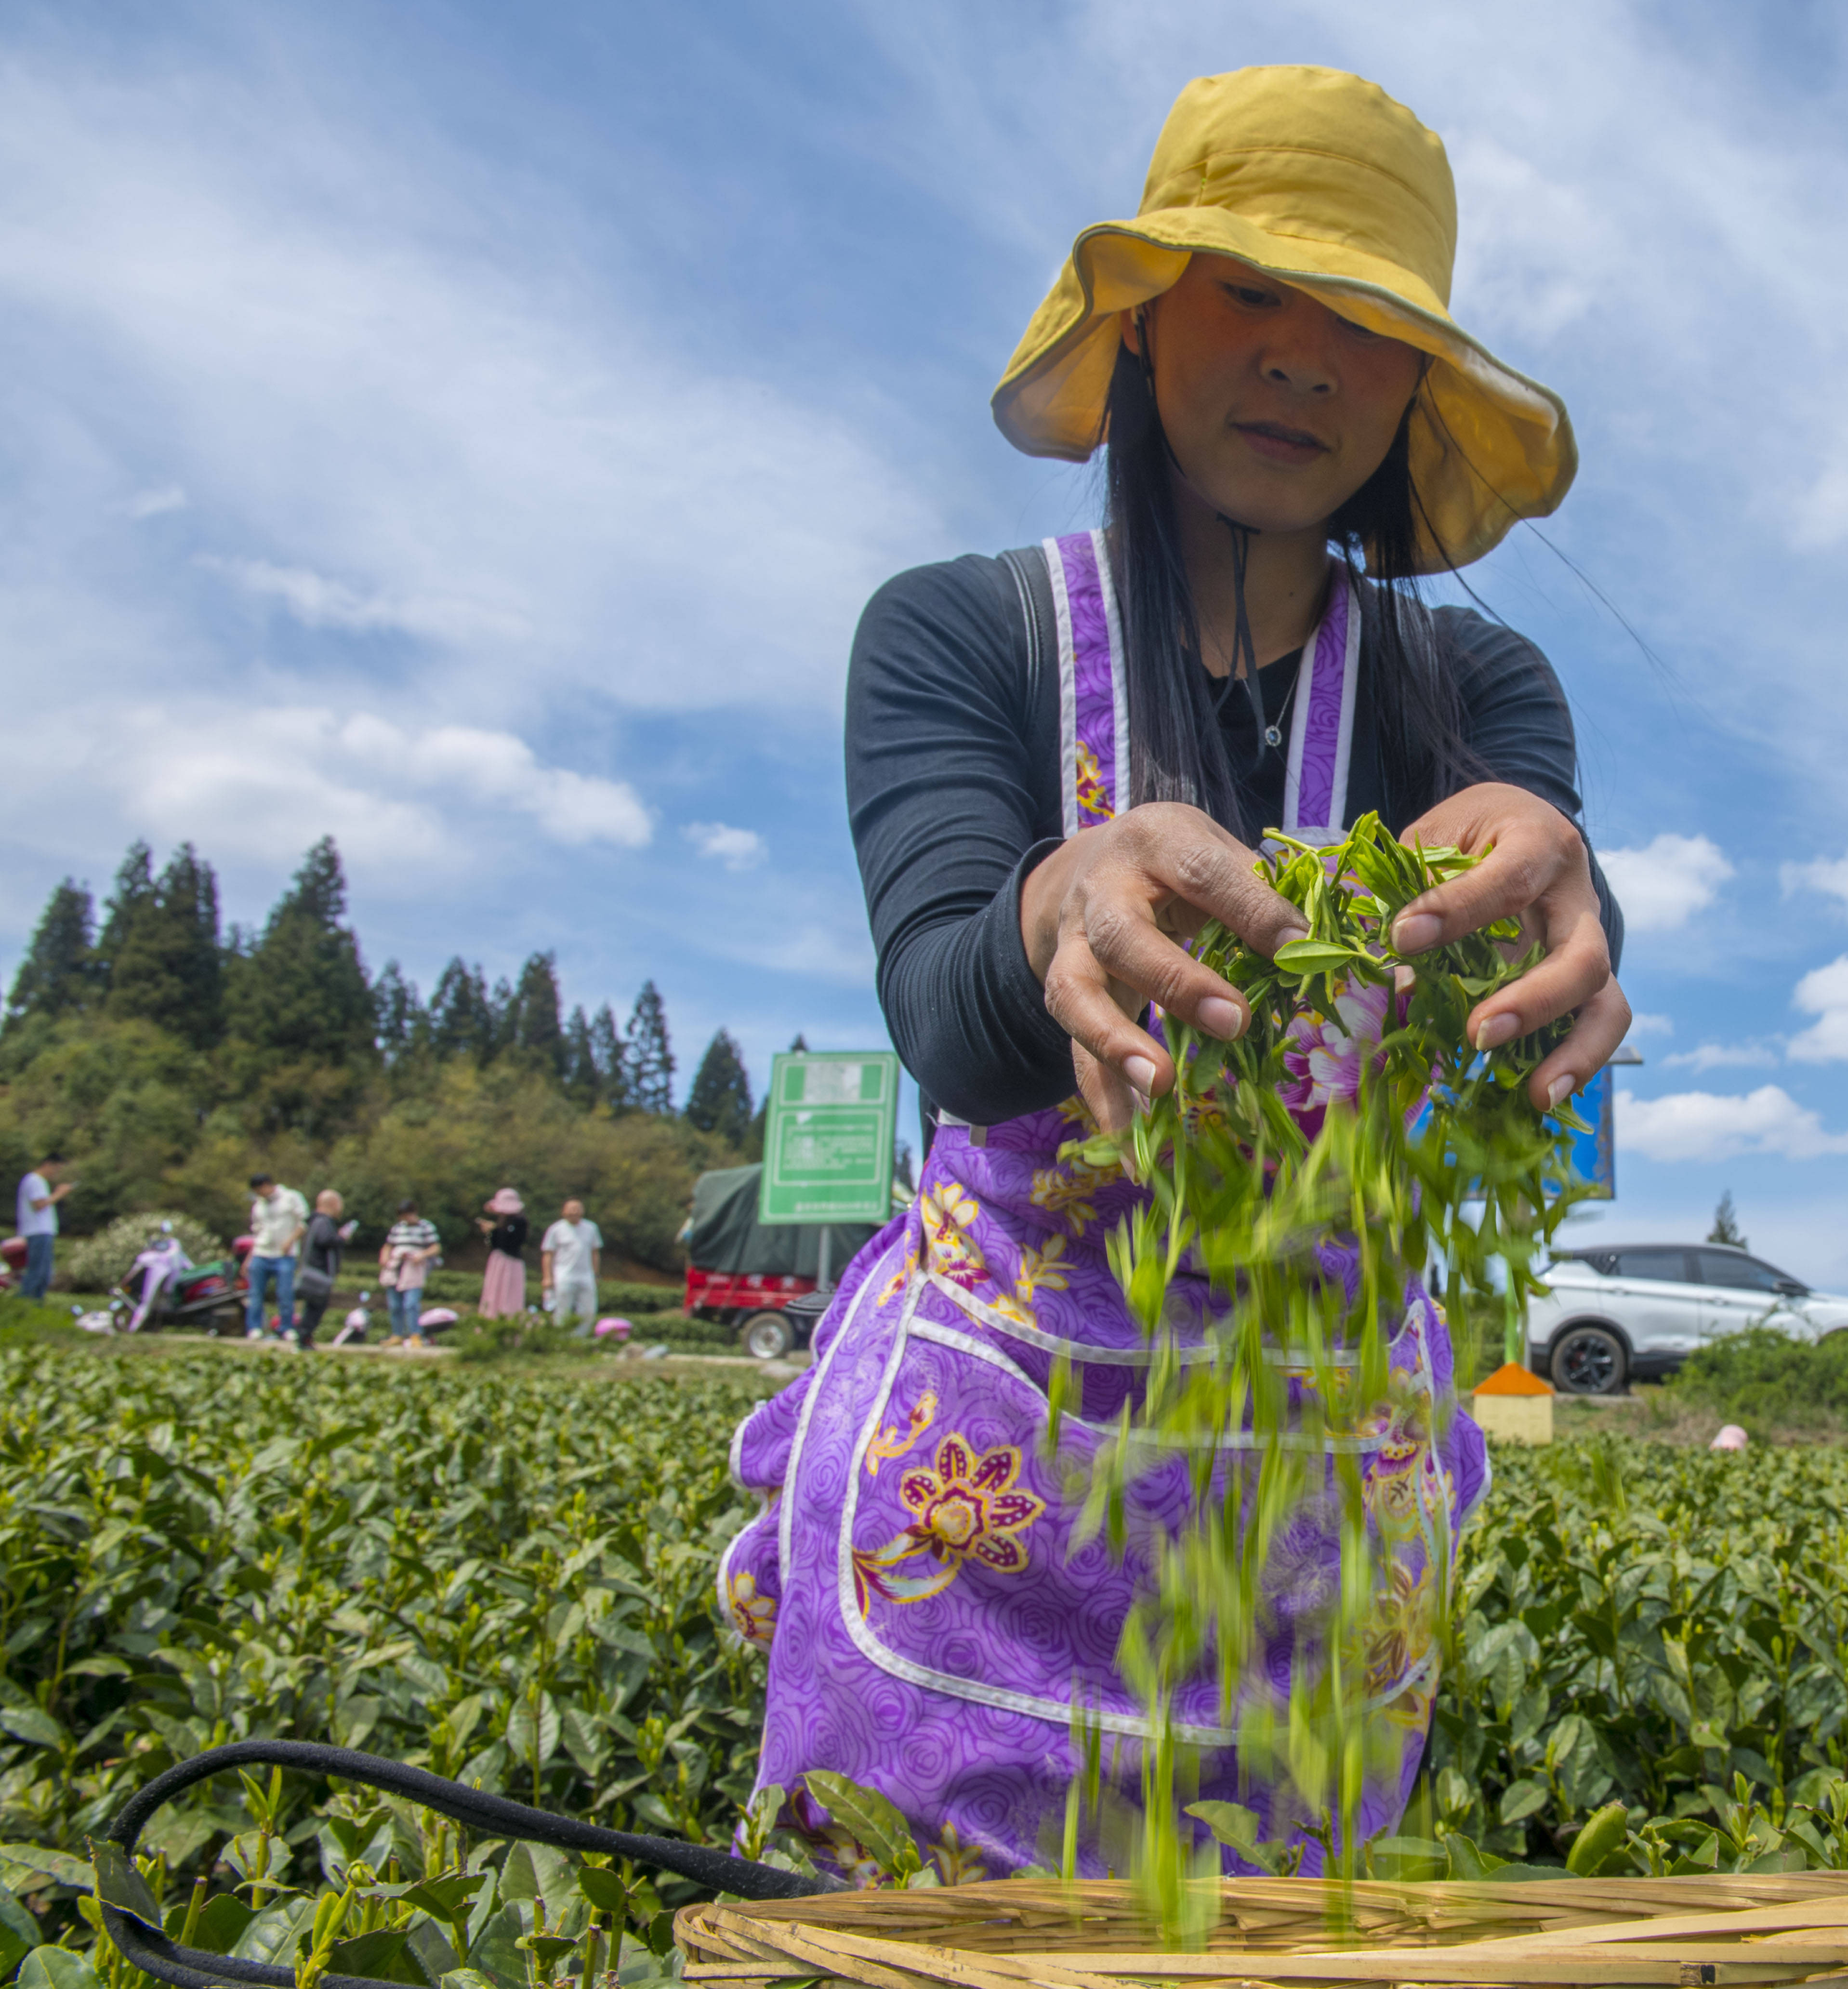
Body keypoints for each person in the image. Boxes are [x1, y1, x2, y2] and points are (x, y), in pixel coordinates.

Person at [718, 67, 1626, 1883]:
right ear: (1139, 327)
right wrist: (1061, 897)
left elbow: (1535, 919)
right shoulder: (956, 634)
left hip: (1316, 1487)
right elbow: (948, 1022)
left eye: (1364, 325)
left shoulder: (1471, 699)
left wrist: (1569, 902)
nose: (1303, 360)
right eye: (1251, 292)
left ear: (1412, 388)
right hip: (986, 1464)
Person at [244, 1172, 310, 1341]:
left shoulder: (291, 1198)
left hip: (284, 1255)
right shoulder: (258, 1206)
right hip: (261, 1253)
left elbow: (303, 1222)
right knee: (256, 1293)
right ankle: (255, 1327)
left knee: (285, 1293)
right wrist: (249, 1259)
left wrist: (291, 1241)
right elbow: (257, 1232)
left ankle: (287, 1327)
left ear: (266, 1185)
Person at [290, 1190, 354, 1350]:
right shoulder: (323, 1222)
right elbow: (324, 1240)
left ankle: (305, 1338)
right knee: (315, 1308)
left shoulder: (314, 1221)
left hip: (313, 1271)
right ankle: (304, 1339)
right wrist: (341, 1238)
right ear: (333, 1204)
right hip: (318, 1272)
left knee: (312, 1307)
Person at [378, 1199, 442, 1345]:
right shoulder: (398, 1228)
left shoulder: (426, 1227)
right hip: (396, 1268)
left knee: (411, 1304)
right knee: (395, 1304)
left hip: (414, 1269)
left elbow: (436, 1247)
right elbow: (388, 1246)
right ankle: (397, 1334)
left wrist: (422, 1255)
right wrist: (385, 1257)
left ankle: (415, 1334)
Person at [14, 1155, 72, 1300]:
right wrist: (60, 1194)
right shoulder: (35, 1180)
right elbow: (39, 1205)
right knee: (38, 1272)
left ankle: (36, 1303)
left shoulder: (37, 1181)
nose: (56, 1174)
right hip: (38, 1232)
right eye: (57, 1170)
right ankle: (26, 1302)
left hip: (41, 1232)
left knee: (44, 1273)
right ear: (48, 1164)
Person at [540, 1198, 601, 1327]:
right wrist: (548, 1277)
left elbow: (595, 1253)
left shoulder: (591, 1228)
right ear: (564, 1211)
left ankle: (581, 1338)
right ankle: (560, 1337)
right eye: (571, 1209)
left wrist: (596, 1274)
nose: (574, 1212)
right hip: (564, 1275)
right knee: (563, 1309)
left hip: (586, 1275)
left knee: (588, 1310)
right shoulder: (556, 1229)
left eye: (577, 1208)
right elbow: (548, 1255)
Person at [476, 1188, 529, 1317]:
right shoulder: (504, 1221)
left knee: (508, 1295)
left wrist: (494, 1231)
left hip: (511, 1263)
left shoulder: (520, 1222)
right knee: (494, 1293)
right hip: (498, 1261)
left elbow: (510, 1244)